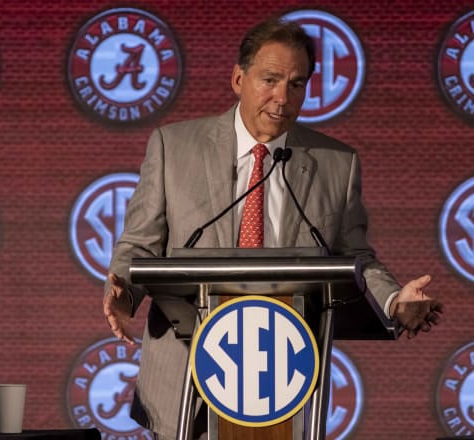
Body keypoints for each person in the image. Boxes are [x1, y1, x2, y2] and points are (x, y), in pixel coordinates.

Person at [103, 16, 443, 440]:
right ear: (238, 78)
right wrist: (123, 294)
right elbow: (140, 245)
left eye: (297, 84)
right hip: (185, 374)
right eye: (270, 80)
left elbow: (354, 257)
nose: (283, 97)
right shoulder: (174, 147)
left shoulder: (336, 164)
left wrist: (393, 301)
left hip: (285, 379)